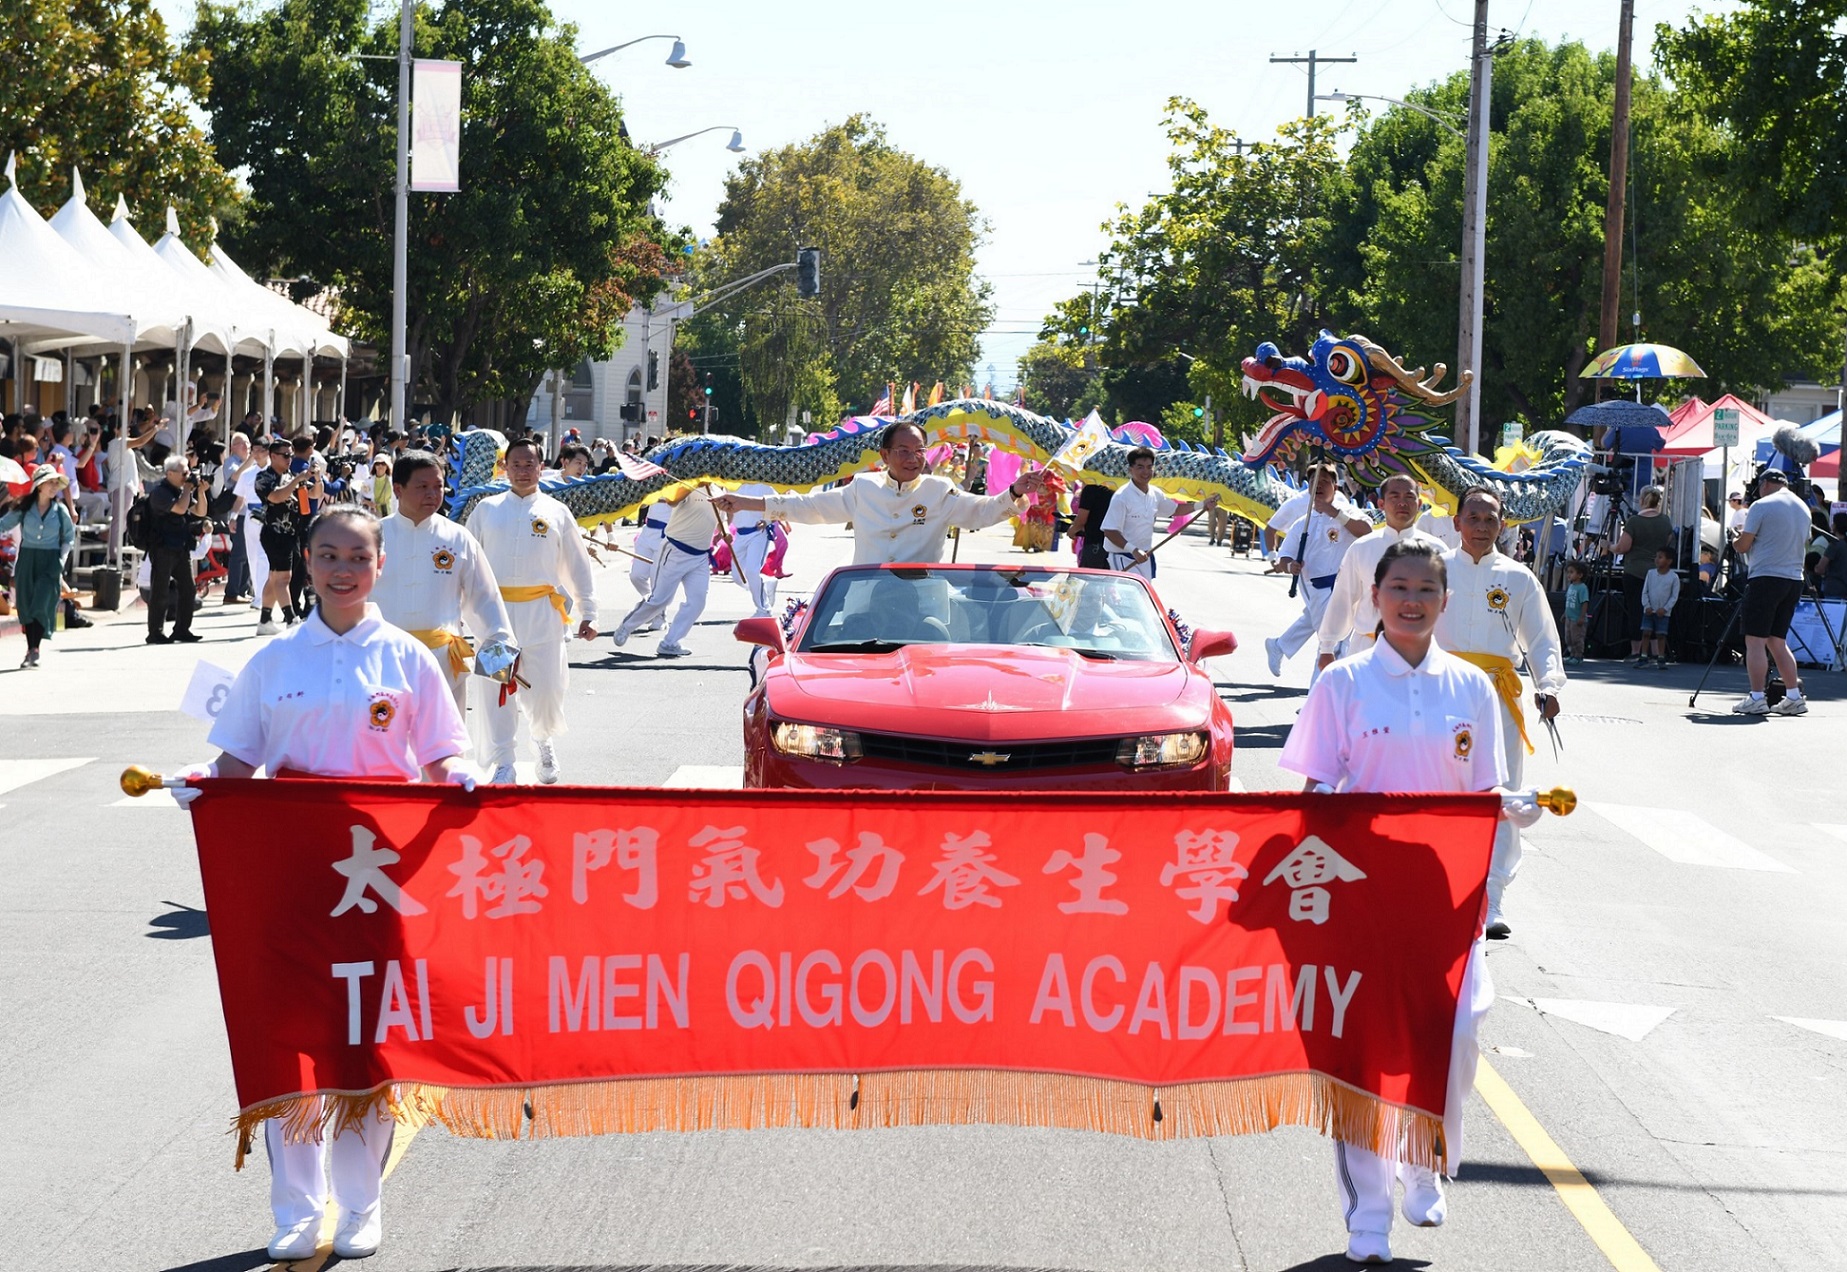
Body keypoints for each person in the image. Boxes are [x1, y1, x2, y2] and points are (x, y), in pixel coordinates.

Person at [170, 505, 475, 1262]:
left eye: (358, 557)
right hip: (292, 874)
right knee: (291, 1041)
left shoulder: (407, 658)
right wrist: (204, 779)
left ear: (379, 567)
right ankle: (298, 1212)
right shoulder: (274, 661)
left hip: (378, 878)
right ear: (306, 561)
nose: (344, 570)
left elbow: (441, 757)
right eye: (329, 555)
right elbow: (236, 761)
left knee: (366, 1043)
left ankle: (362, 1204)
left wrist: (464, 779)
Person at [1280, 539, 1540, 1267]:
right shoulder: (1343, 683)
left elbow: (1483, 788)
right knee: (1361, 1052)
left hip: (1445, 894)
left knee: (1457, 1031)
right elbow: (1313, 788)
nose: (1412, 600)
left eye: (1427, 589)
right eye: (1399, 587)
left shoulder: (1471, 687)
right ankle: (1367, 1214)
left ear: (1444, 601)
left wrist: (1513, 806)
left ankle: (1423, 1158)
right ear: (1375, 596)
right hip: (1361, 893)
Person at [1435, 486, 1565, 940]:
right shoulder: (1435, 569)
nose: (1481, 527)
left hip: (1497, 697)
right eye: (1472, 518)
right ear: (1456, 522)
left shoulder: (1518, 578)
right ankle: (1437, 883)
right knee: (1438, 785)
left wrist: (1548, 685)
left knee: (1502, 791)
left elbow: (1542, 639)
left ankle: (1492, 898)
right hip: (1441, 692)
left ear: (1503, 525)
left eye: (1490, 519)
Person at [711, 421, 1047, 564]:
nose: (913, 459)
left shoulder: (939, 490)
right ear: (885, 455)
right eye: (903, 451)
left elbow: (982, 512)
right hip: (866, 598)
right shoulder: (863, 488)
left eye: (919, 451)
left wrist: (1014, 491)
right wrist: (744, 502)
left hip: (923, 601)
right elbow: (809, 507)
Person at [470, 437, 599, 783]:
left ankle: (542, 739)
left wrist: (589, 611)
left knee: (546, 689)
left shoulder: (557, 512)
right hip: (494, 618)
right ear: (505, 467)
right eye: (516, 464)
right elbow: (467, 564)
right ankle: (504, 762)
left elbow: (577, 564)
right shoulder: (486, 510)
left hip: (543, 615)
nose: (523, 471)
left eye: (530, 464)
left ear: (541, 468)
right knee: (497, 690)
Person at [374, 450, 514, 714]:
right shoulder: (371, 537)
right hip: (383, 664)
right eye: (422, 487)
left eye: (438, 486)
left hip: (444, 664)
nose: (432, 494)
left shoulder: (458, 538)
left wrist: (501, 653)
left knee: (445, 738)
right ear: (398, 489)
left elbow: (485, 597)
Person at [1316, 473, 1445, 670]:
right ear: (1381, 504)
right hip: (1367, 650)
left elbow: (1446, 609)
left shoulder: (1437, 550)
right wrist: (1327, 647)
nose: (1402, 502)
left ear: (1419, 504)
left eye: (1409, 497)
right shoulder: (1362, 547)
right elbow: (1343, 597)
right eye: (1395, 496)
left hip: (1419, 653)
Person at [1265, 464, 1369, 679]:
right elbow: (1285, 556)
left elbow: (1366, 531)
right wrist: (1289, 565)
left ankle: (1281, 647)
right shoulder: (1302, 523)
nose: (1319, 486)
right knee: (1333, 645)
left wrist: (1335, 513)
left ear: (1335, 486)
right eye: (1314, 482)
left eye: (1324, 482)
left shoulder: (1347, 512)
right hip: (1317, 588)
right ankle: (1322, 694)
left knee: (1332, 644)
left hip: (1346, 588)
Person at [1731, 465, 1813, 715]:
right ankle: (1794, 696)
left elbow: (1743, 546)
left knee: (1754, 640)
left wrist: (1735, 539)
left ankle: (1757, 697)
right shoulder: (1803, 507)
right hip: (1793, 578)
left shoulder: (1761, 506)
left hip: (1766, 577)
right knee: (1777, 641)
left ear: (1764, 485)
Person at [610, 484, 721, 656]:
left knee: (697, 602)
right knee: (660, 600)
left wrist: (724, 532)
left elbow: (721, 518)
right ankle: (627, 625)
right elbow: (672, 501)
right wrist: (693, 485)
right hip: (675, 550)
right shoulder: (687, 484)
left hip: (699, 556)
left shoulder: (719, 491)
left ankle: (670, 642)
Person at [1098, 447, 1218, 579]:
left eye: (1149, 467)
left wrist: (1202, 504)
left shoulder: (1155, 493)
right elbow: (1110, 531)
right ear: (1130, 469)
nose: (1146, 472)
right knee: (1128, 592)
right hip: (1123, 557)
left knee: (1145, 591)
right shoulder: (1122, 497)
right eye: (1140, 467)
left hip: (1145, 556)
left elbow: (1175, 509)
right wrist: (1133, 550)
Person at [1, 467, 77, 668]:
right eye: (50, 482)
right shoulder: (25, 508)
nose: (54, 487)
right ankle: (32, 650)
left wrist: (61, 560)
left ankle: (35, 649)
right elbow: (3, 524)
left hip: (51, 560)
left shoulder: (60, 511)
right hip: (27, 559)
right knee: (26, 604)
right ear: (39, 485)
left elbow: (68, 538)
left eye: (56, 483)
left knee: (42, 602)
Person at [253, 439, 317, 634]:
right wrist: (296, 481)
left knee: (275, 577)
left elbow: (314, 495)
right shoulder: (264, 477)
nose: (290, 459)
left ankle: (265, 620)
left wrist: (317, 478)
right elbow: (275, 497)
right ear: (273, 456)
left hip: (292, 534)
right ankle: (291, 619)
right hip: (275, 533)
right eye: (286, 455)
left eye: (291, 455)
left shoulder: (291, 476)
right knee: (283, 578)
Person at [146, 454, 210, 644]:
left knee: (188, 589)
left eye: (188, 472)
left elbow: (200, 512)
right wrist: (188, 488)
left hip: (180, 547)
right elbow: (180, 509)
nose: (187, 476)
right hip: (162, 547)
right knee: (160, 590)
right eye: (184, 473)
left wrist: (201, 491)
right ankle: (155, 632)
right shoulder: (160, 493)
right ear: (170, 474)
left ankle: (182, 629)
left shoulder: (181, 491)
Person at [1610, 485, 1675, 665]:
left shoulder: (1634, 522)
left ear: (1642, 500)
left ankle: (1636, 651)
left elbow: (1623, 547)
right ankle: (1655, 651)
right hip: (1657, 572)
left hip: (1635, 570)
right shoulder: (1665, 521)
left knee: (1636, 611)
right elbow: (1668, 542)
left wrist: (1608, 546)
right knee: (1656, 610)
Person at [231, 438, 272, 612]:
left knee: (264, 556)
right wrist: (233, 516)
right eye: (254, 450)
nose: (257, 454)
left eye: (261, 450)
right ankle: (257, 593)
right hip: (250, 515)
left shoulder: (275, 472)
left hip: (269, 514)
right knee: (252, 556)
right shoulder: (247, 474)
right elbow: (240, 498)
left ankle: (262, 596)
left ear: (267, 452)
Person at [728, 481, 777, 616]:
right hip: (740, 535)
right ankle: (766, 583)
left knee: (752, 571)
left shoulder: (765, 486)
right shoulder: (733, 486)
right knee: (738, 577)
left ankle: (764, 609)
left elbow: (778, 507)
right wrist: (723, 529)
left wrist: (766, 521)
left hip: (758, 534)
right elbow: (728, 512)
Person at [1638, 547, 1681, 669]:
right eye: (1656, 557)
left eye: (1660, 557)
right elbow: (1645, 591)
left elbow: (1674, 596)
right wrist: (1646, 605)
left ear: (1669, 561)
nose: (1657, 559)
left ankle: (1661, 657)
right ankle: (1643, 656)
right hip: (1649, 610)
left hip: (1663, 612)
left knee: (1661, 634)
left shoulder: (1674, 577)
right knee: (1646, 632)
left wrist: (1665, 609)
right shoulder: (1650, 574)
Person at [1069, 479, 1115, 570]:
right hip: (1116, 543)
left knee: (1091, 575)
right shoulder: (1120, 490)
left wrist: (1072, 530)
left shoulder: (1090, 489)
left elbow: (1081, 519)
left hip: (1095, 542)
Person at [1812, 512, 1847, 600]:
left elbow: (1820, 569)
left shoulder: (1834, 545)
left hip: (1833, 588)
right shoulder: (1844, 544)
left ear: (1835, 526)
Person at [1561, 561, 1590, 665]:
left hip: (1577, 619)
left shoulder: (1582, 588)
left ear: (1580, 575)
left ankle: (1578, 656)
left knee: (1577, 638)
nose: (1569, 575)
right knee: (1568, 638)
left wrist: (1581, 617)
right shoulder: (1571, 587)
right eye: (1568, 572)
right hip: (1569, 618)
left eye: (1571, 572)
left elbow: (1584, 602)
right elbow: (1568, 602)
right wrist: (1565, 614)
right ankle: (1572, 654)